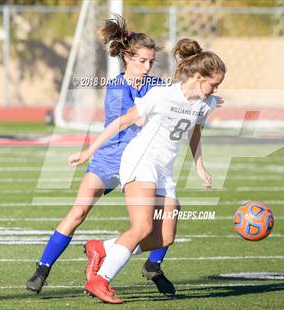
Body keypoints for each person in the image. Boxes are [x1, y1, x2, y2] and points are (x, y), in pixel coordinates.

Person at [25, 15, 175, 296]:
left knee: (164, 212)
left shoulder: (155, 83)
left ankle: (154, 266)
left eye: (151, 62)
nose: (147, 67)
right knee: (79, 211)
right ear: (127, 57)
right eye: (142, 61)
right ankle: (43, 268)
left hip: (141, 161)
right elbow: (137, 121)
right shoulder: (118, 87)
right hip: (110, 158)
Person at [69, 38, 226, 304]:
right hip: (140, 161)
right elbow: (121, 121)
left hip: (164, 170)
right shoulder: (163, 94)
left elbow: (194, 131)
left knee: (165, 236)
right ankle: (101, 280)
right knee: (141, 227)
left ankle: (102, 247)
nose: (216, 90)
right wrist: (88, 151)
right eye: (214, 84)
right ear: (198, 77)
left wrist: (200, 165)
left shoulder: (203, 103)